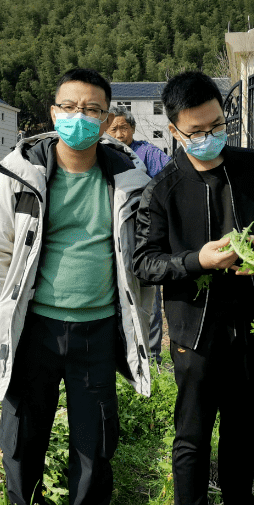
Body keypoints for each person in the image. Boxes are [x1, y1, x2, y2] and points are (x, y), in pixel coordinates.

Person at [0, 68, 153, 505]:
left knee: (95, 441)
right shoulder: (19, 172)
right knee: (23, 434)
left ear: (107, 117)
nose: (79, 118)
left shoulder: (129, 178)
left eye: (92, 110)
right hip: (35, 329)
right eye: (69, 108)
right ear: (52, 114)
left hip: (97, 330)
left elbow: (147, 252)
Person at [133, 71, 254, 505]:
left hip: (252, 323)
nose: (210, 135)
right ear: (175, 131)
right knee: (192, 435)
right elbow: (146, 262)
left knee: (245, 427)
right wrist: (196, 260)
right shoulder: (163, 188)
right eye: (197, 129)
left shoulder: (251, 167)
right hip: (193, 330)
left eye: (217, 124)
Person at [106, 107, 170, 360]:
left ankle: (151, 355)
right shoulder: (99, 154)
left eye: (124, 128)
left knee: (147, 292)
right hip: (109, 234)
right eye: (114, 129)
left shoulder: (148, 154)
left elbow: (167, 184)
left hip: (142, 234)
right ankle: (119, 354)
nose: (120, 134)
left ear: (132, 128)